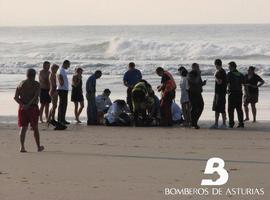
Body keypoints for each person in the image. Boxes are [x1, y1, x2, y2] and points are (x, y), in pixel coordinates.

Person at [14, 69, 44, 153]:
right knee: (35, 128)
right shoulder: (36, 84)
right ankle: (38, 147)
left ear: (26, 75)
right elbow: (35, 97)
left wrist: (23, 105)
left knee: (23, 128)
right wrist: (28, 105)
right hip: (33, 108)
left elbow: (15, 97)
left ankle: (22, 147)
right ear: (34, 75)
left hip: (22, 109)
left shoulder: (21, 84)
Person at [188, 63, 206, 129]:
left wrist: (203, 83)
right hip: (192, 93)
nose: (198, 68)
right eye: (197, 67)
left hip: (198, 93)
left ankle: (194, 121)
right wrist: (198, 74)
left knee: (201, 106)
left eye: (198, 67)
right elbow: (194, 81)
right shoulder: (190, 74)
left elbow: (199, 83)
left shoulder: (197, 74)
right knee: (194, 108)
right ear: (193, 67)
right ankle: (193, 123)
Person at [227, 61, 245, 128]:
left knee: (230, 109)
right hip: (239, 93)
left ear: (232, 67)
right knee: (239, 109)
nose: (228, 68)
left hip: (232, 93)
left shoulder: (230, 74)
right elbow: (244, 84)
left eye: (229, 66)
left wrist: (226, 90)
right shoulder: (240, 74)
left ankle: (231, 123)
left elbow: (226, 82)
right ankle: (241, 123)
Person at [210, 59, 227, 129]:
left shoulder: (221, 72)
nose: (215, 66)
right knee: (217, 108)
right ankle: (217, 123)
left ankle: (223, 124)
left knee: (221, 108)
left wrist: (215, 77)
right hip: (218, 92)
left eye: (215, 65)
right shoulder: (220, 71)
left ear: (216, 64)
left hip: (221, 93)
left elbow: (219, 82)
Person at [57, 60, 70, 125]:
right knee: (62, 104)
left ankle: (62, 119)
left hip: (64, 89)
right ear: (65, 64)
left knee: (64, 104)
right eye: (68, 65)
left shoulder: (63, 70)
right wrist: (61, 83)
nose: (69, 66)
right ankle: (60, 119)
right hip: (62, 89)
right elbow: (59, 76)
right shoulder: (61, 70)